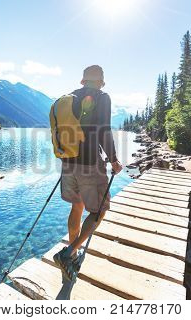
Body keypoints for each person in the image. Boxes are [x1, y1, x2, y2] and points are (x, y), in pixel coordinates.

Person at [53, 65, 123, 281]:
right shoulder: (102, 97)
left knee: (77, 205)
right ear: (101, 82)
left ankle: (72, 254)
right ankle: (70, 252)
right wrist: (113, 159)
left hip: (67, 163)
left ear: (83, 81)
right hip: (90, 164)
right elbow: (104, 130)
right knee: (100, 210)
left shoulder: (69, 98)